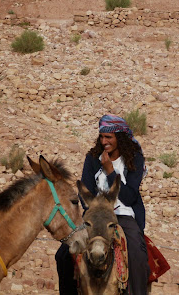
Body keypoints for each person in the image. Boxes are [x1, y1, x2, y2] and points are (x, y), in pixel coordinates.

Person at [56, 114, 150, 295]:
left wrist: (110, 172)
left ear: (119, 138)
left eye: (109, 137)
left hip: (123, 214)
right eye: (101, 136)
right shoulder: (92, 157)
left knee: (137, 255)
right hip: (95, 214)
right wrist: (94, 209)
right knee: (63, 255)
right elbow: (86, 194)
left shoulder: (134, 158)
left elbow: (130, 197)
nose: (104, 141)